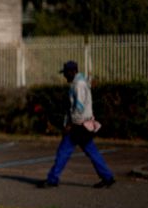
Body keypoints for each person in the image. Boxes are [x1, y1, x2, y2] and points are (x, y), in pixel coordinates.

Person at [38, 61, 116, 189]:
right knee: (92, 151)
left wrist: (70, 124)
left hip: (78, 126)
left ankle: (52, 179)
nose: (64, 76)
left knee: (63, 152)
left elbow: (79, 107)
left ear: (72, 72)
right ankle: (107, 177)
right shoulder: (81, 81)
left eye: (66, 73)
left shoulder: (78, 84)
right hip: (84, 125)